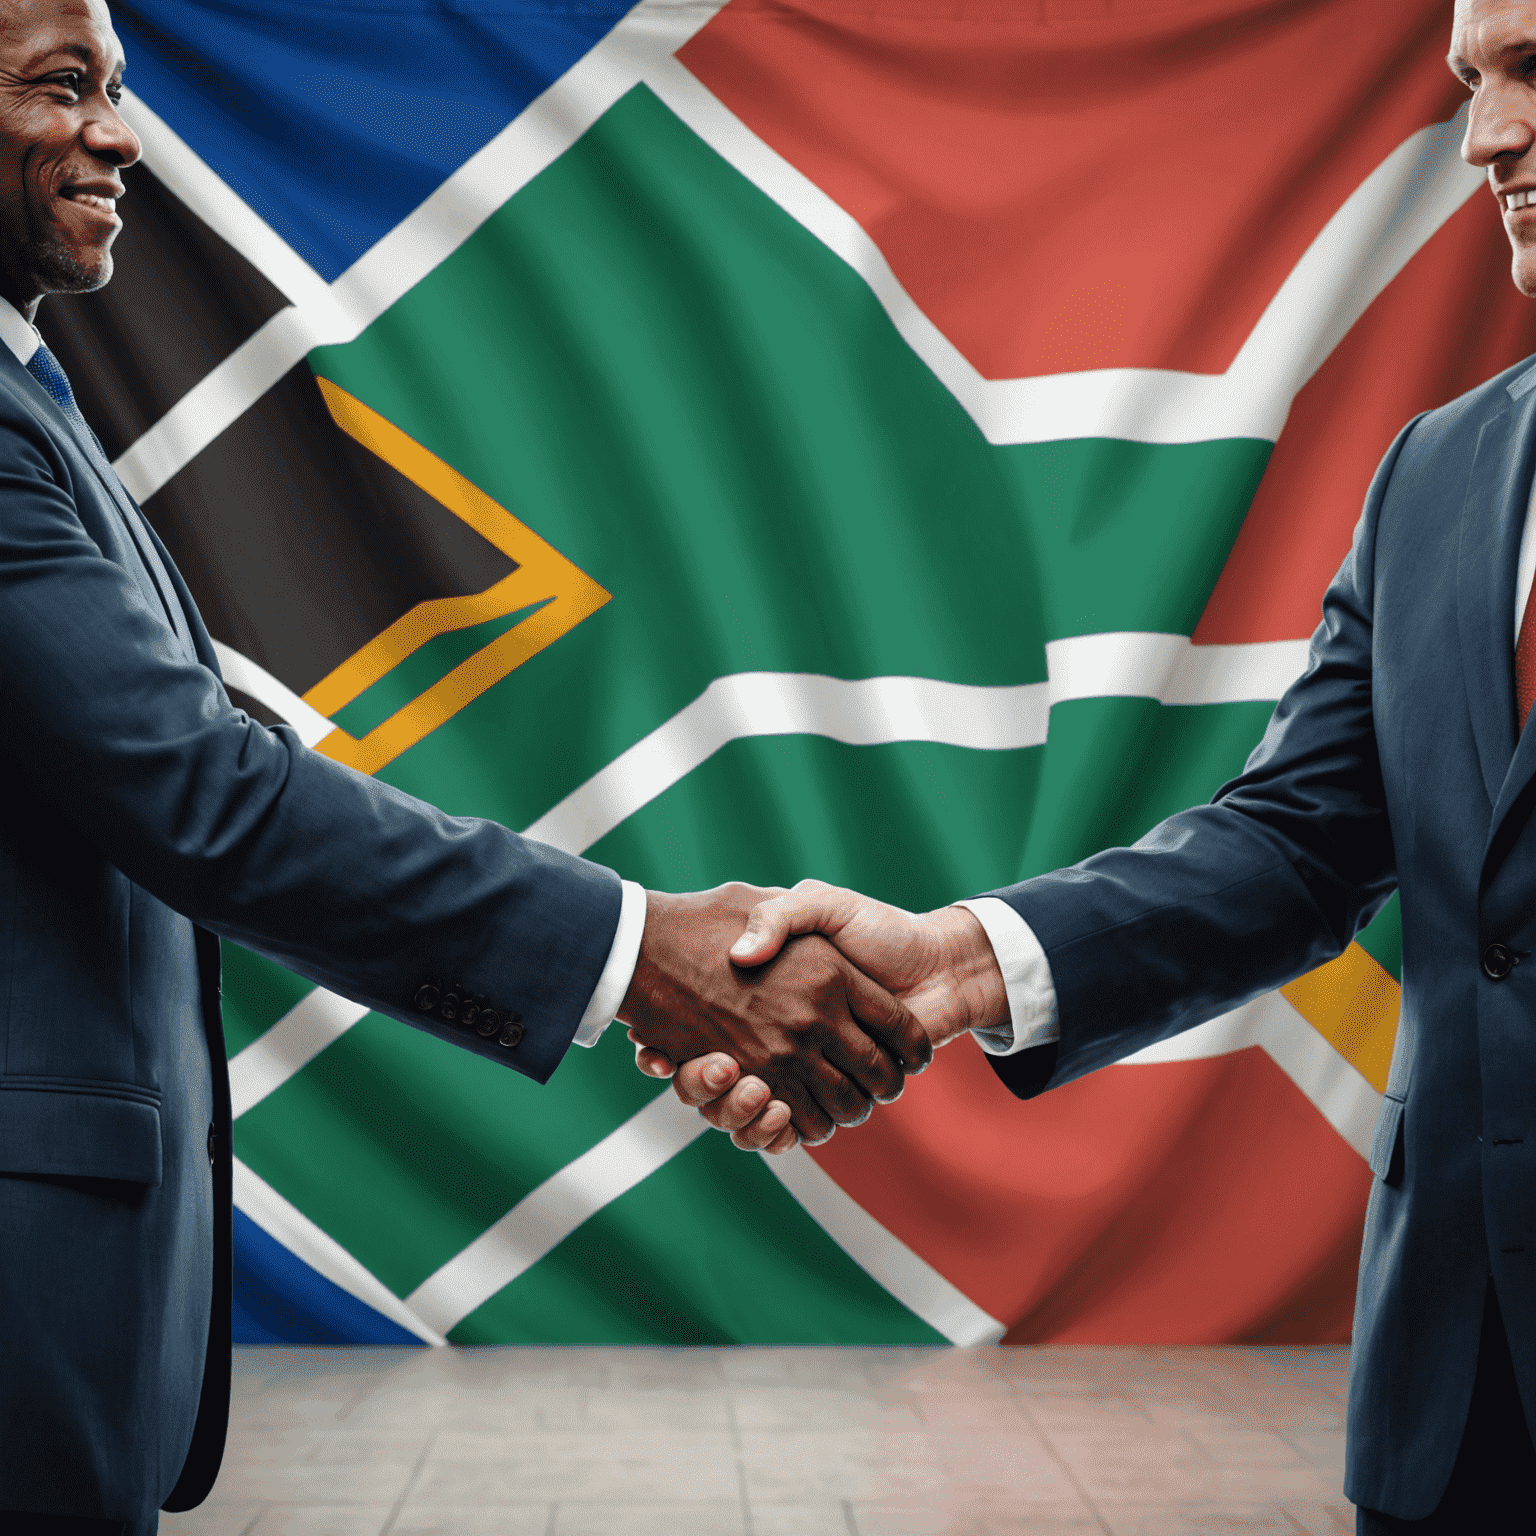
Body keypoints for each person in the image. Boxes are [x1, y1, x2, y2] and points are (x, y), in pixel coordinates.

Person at [0, 1, 933, 1529]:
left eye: (121, 85)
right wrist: (642, 956)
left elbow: (209, 761)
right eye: (61, 88)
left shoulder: (35, 398)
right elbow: (202, 801)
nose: (119, 132)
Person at [654, 1, 1536, 1528]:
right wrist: (953, 966)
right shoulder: (1440, 474)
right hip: (1466, 1394)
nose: (1488, 136)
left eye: (1534, 70)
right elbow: (1306, 839)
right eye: (1472, 81)